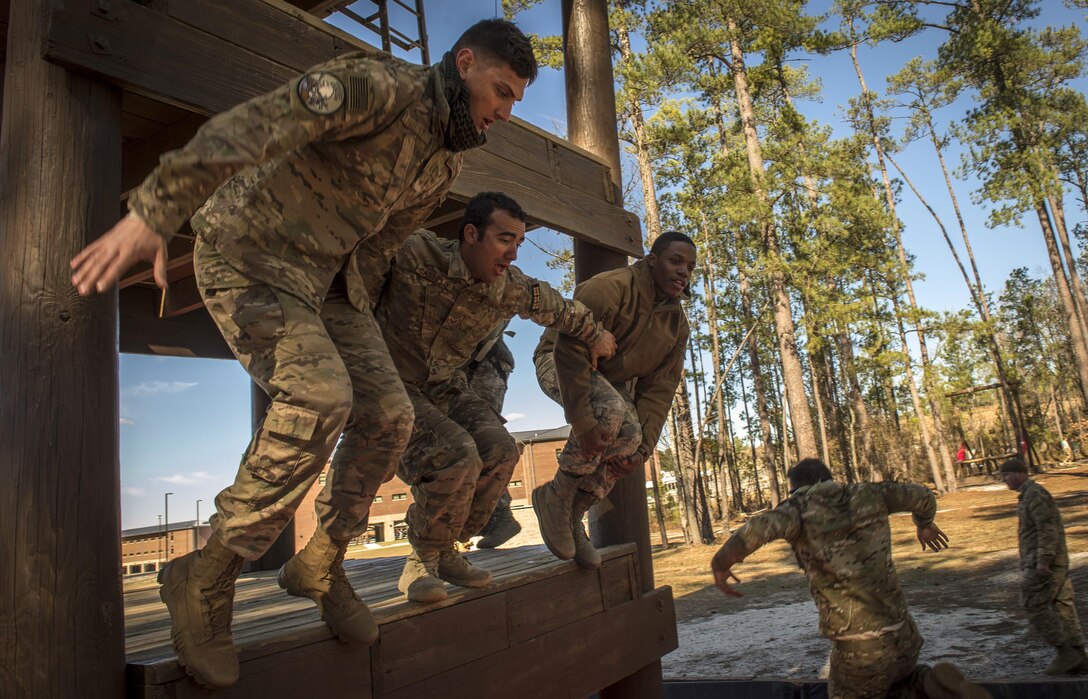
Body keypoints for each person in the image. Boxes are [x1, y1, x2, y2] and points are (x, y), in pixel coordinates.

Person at [69, 20, 537, 690]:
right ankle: (203, 577)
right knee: (321, 395)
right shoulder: (378, 86)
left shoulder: (445, 161)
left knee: (389, 412)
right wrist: (156, 210)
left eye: (515, 99)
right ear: (464, 63)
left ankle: (320, 562)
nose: (505, 111)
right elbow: (259, 123)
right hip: (249, 253)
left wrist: (370, 336)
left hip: (327, 283)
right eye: (501, 91)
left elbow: (379, 245)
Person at [367, 191, 615, 603]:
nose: (514, 253)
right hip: (388, 383)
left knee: (501, 451)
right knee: (457, 453)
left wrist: (596, 334)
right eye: (505, 239)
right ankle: (421, 562)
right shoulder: (414, 252)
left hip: (444, 385)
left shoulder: (511, 287)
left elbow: (560, 310)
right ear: (470, 234)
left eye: (519, 242)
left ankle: (446, 547)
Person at [711, 459, 989, 699]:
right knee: (890, 685)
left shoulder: (797, 509)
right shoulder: (871, 493)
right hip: (904, 635)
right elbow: (922, 496)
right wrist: (925, 524)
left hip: (860, 648)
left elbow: (756, 529)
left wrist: (720, 563)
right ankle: (925, 685)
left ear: (795, 489)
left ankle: (923, 688)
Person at [531, 231, 695, 569]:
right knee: (610, 410)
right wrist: (583, 422)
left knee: (631, 439)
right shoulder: (608, 288)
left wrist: (644, 450)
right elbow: (569, 350)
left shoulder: (676, 326)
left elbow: (659, 389)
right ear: (652, 259)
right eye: (675, 261)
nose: (684, 272)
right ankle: (556, 497)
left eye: (690, 267)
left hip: (608, 382)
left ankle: (572, 515)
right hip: (559, 360)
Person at [999, 457, 1087, 674]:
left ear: (1020, 473)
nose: (1004, 480)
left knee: (1032, 604)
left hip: (1045, 563)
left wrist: (1043, 560)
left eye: (1006, 475)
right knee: (1062, 605)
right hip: (1050, 561)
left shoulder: (1035, 495)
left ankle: (1065, 651)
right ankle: (1079, 658)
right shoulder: (1029, 495)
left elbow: (1047, 528)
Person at [465, 326, 524, 548]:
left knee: (481, 441)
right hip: (461, 362)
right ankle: (491, 517)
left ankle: (498, 516)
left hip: (482, 362)